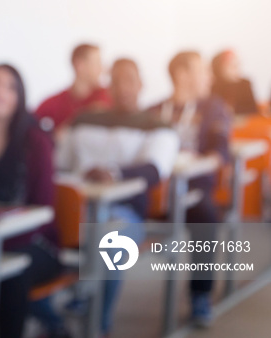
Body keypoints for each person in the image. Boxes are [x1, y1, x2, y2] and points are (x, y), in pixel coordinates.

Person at [56, 58, 180, 335]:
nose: (123, 87)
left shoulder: (158, 126)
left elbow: (154, 169)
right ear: (107, 87)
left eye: (130, 80)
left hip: (125, 211)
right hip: (74, 208)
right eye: (116, 81)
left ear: (141, 85)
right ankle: (57, 321)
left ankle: (98, 324)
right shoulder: (84, 120)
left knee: (111, 242)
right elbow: (59, 164)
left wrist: (112, 173)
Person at [0, 65, 70, 338]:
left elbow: (44, 210)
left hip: (33, 244)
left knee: (10, 272)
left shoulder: (36, 142)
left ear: (19, 97)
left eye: (10, 87)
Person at [149, 51, 232, 328]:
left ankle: (200, 295)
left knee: (206, 216)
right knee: (109, 214)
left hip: (193, 192)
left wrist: (195, 162)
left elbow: (220, 151)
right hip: (156, 194)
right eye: (202, 70)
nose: (209, 76)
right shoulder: (154, 110)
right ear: (182, 74)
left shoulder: (213, 107)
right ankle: (86, 291)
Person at [35, 44, 111, 132]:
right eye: (97, 63)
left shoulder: (109, 98)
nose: (102, 69)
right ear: (80, 65)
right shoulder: (51, 105)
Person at [210, 49, 258, 115]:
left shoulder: (245, 84)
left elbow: (253, 109)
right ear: (220, 68)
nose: (237, 70)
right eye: (232, 66)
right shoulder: (212, 86)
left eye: (237, 65)